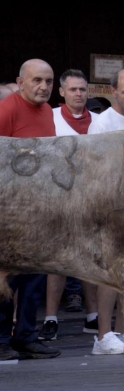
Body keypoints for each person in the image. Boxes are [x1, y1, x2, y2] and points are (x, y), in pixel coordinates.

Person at [0, 59, 61, 361]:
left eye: (48, 81)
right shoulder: (7, 109)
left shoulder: (48, 111)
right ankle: (0, 340)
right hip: (10, 211)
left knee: (35, 277)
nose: (44, 87)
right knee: (6, 279)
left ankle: (25, 336)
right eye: (37, 80)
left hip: (40, 208)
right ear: (20, 82)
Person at [39, 69, 100, 342]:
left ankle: (93, 316)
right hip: (58, 200)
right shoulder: (48, 117)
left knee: (89, 260)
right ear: (62, 92)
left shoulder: (99, 122)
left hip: (91, 201)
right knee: (57, 262)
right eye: (73, 89)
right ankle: (51, 318)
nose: (78, 94)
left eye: (83, 89)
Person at [87, 68, 124, 355]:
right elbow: (94, 170)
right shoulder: (101, 123)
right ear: (113, 92)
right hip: (109, 207)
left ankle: (123, 332)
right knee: (110, 274)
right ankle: (103, 336)